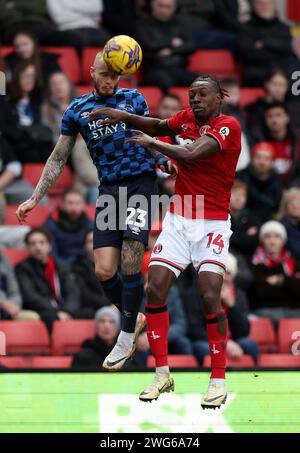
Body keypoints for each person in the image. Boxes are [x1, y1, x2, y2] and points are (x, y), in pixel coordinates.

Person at [88, 74, 242, 408]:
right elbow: (158, 124)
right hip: (179, 217)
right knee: (154, 288)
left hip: (212, 222)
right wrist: (123, 116)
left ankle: (218, 379)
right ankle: (161, 374)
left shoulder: (228, 125)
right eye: (191, 95)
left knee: (208, 295)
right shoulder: (186, 119)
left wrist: (152, 144)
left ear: (219, 97)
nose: (195, 100)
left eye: (202, 94)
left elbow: (190, 155)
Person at [16, 53, 173, 372]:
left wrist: (161, 160)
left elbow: (149, 136)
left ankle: (126, 334)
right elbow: (59, 157)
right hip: (109, 190)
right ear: (91, 72)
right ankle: (135, 317)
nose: (109, 80)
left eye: (115, 74)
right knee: (103, 270)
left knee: (131, 258)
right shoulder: (77, 109)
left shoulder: (133, 98)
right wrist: (35, 197)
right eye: (104, 73)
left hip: (140, 183)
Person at [184, 254, 258, 365]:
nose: (223, 277)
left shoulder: (239, 295)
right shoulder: (195, 294)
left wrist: (232, 305)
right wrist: (224, 344)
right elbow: (195, 331)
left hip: (233, 340)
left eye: (228, 273)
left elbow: (243, 332)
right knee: (202, 348)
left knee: (249, 344)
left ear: (233, 276)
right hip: (206, 341)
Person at [41, 72, 99, 202]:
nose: (58, 87)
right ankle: (102, 179)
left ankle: (80, 190)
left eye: (61, 82)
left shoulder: (84, 104)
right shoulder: (46, 109)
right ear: (50, 89)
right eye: (54, 84)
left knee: (92, 189)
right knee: (78, 146)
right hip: (65, 149)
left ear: (69, 85)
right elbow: (49, 136)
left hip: (88, 149)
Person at [15, 228, 80, 332]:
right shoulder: (22, 268)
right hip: (42, 310)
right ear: (27, 248)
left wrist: (66, 311)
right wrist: (57, 311)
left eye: (42, 242)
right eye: (33, 243)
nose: (38, 247)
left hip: (64, 309)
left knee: (90, 313)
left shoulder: (60, 267)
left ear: (49, 245)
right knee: (51, 318)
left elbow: (72, 293)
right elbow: (30, 296)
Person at [135, 0, 197, 91]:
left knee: (205, 83)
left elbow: (192, 45)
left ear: (174, 8)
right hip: (155, 70)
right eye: (160, 5)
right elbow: (147, 45)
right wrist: (171, 42)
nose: (163, 10)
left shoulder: (179, 25)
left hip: (179, 69)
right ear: (152, 4)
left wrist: (171, 51)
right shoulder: (142, 24)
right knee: (165, 80)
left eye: (168, 7)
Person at [250, 221, 300, 327]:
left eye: (277, 236)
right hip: (267, 310)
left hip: (293, 310)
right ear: (262, 240)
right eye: (267, 237)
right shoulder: (255, 263)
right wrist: (291, 282)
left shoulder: (293, 263)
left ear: (283, 241)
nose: (272, 241)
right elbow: (261, 293)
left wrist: (282, 280)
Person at [237, 0, 292, 86]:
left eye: (268, 4)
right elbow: (247, 53)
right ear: (254, 6)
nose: (265, 7)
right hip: (255, 74)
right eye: (261, 4)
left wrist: (265, 43)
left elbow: (287, 48)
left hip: (282, 72)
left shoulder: (284, 28)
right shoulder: (245, 28)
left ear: (274, 6)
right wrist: (277, 51)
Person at [7, 61, 53, 163]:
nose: (29, 80)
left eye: (32, 76)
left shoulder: (37, 102)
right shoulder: (7, 101)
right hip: (16, 147)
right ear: (16, 77)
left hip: (36, 147)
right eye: (25, 76)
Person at [43, 190, 93, 267]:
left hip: (86, 264)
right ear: (62, 205)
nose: (74, 207)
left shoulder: (90, 224)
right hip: (63, 264)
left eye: (78, 203)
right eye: (70, 203)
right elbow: (52, 253)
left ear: (83, 205)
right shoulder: (51, 224)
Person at [236, 142, 283, 223]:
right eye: (258, 157)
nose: (262, 162)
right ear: (252, 159)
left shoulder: (277, 180)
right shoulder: (240, 176)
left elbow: (276, 207)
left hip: (267, 220)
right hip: (241, 219)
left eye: (267, 158)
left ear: (272, 162)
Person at [71, 230, 110, 318]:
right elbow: (84, 294)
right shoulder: (78, 267)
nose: (96, 243)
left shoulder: (116, 264)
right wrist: (109, 304)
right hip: (92, 309)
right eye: (91, 241)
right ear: (85, 246)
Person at [245, 68, 290, 144]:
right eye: (275, 84)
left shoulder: (294, 107)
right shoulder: (255, 108)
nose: (278, 88)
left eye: (282, 85)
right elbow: (256, 133)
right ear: (266, 84)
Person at [261, 102, 300, 186]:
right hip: (269, 190)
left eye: (278, 115)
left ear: (287, 118)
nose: (274, 120)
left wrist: (294, 187)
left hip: (295, 190)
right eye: (270, 116)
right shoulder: (260, 142)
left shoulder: (297, 141)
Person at [0, 250, 39, 321]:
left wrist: (15, 306)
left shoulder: (3, 260)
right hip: (3, 304)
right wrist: (3, 302)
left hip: (10, 309)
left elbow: (14, 290)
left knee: (33, 317)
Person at [229, 179, 260, 257]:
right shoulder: (222, 216)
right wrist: (244, 235)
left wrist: (232, 237)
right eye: (234, 193)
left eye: (242, 195)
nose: (238, 198)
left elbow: (253, 242)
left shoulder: (251, 217)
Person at [281, 188, 300, 261]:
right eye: (292, 201)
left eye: (299, 202)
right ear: (285, 205)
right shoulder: (281, 226)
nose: (296, 205)